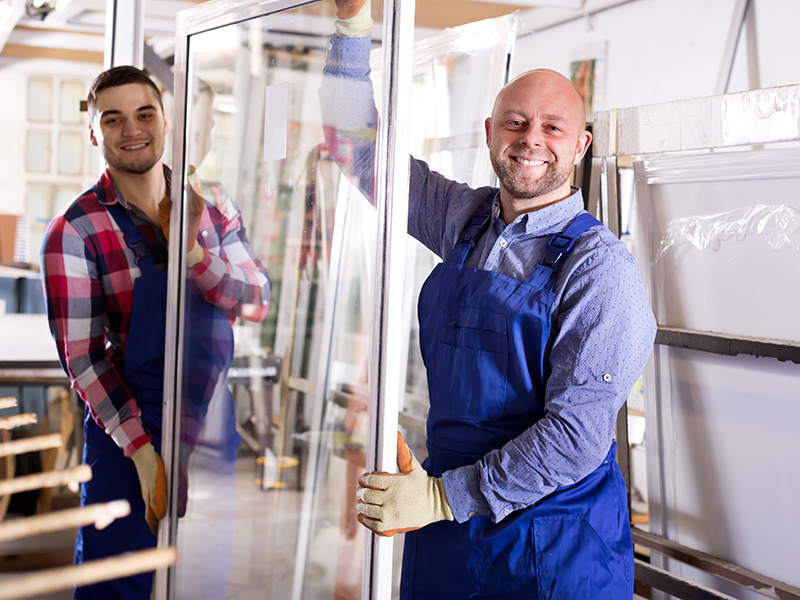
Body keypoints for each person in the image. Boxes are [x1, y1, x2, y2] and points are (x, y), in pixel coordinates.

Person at [321, 2, 657, 598]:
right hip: (448, 533)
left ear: (579, 146)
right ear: (488, 132)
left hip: (551, 542)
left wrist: (439, 496)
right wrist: (351, 26)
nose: (531, 140)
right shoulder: (463, 217)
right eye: (515, 122)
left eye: (552, 127)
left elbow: (576, 436)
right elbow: (355, 147)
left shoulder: (600, 269)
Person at [40, 66, 271, 599]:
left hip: (210, 428)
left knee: (199, 579)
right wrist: (145, 455)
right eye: (112, 119)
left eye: (144, 114)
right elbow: (84, 361)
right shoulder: (74, 231)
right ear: (94, 133)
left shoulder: (211, 206)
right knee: (118, 584)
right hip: (127, 439)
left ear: (166, 121)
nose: (132, 129)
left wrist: (191, 253)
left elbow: (257, 300)